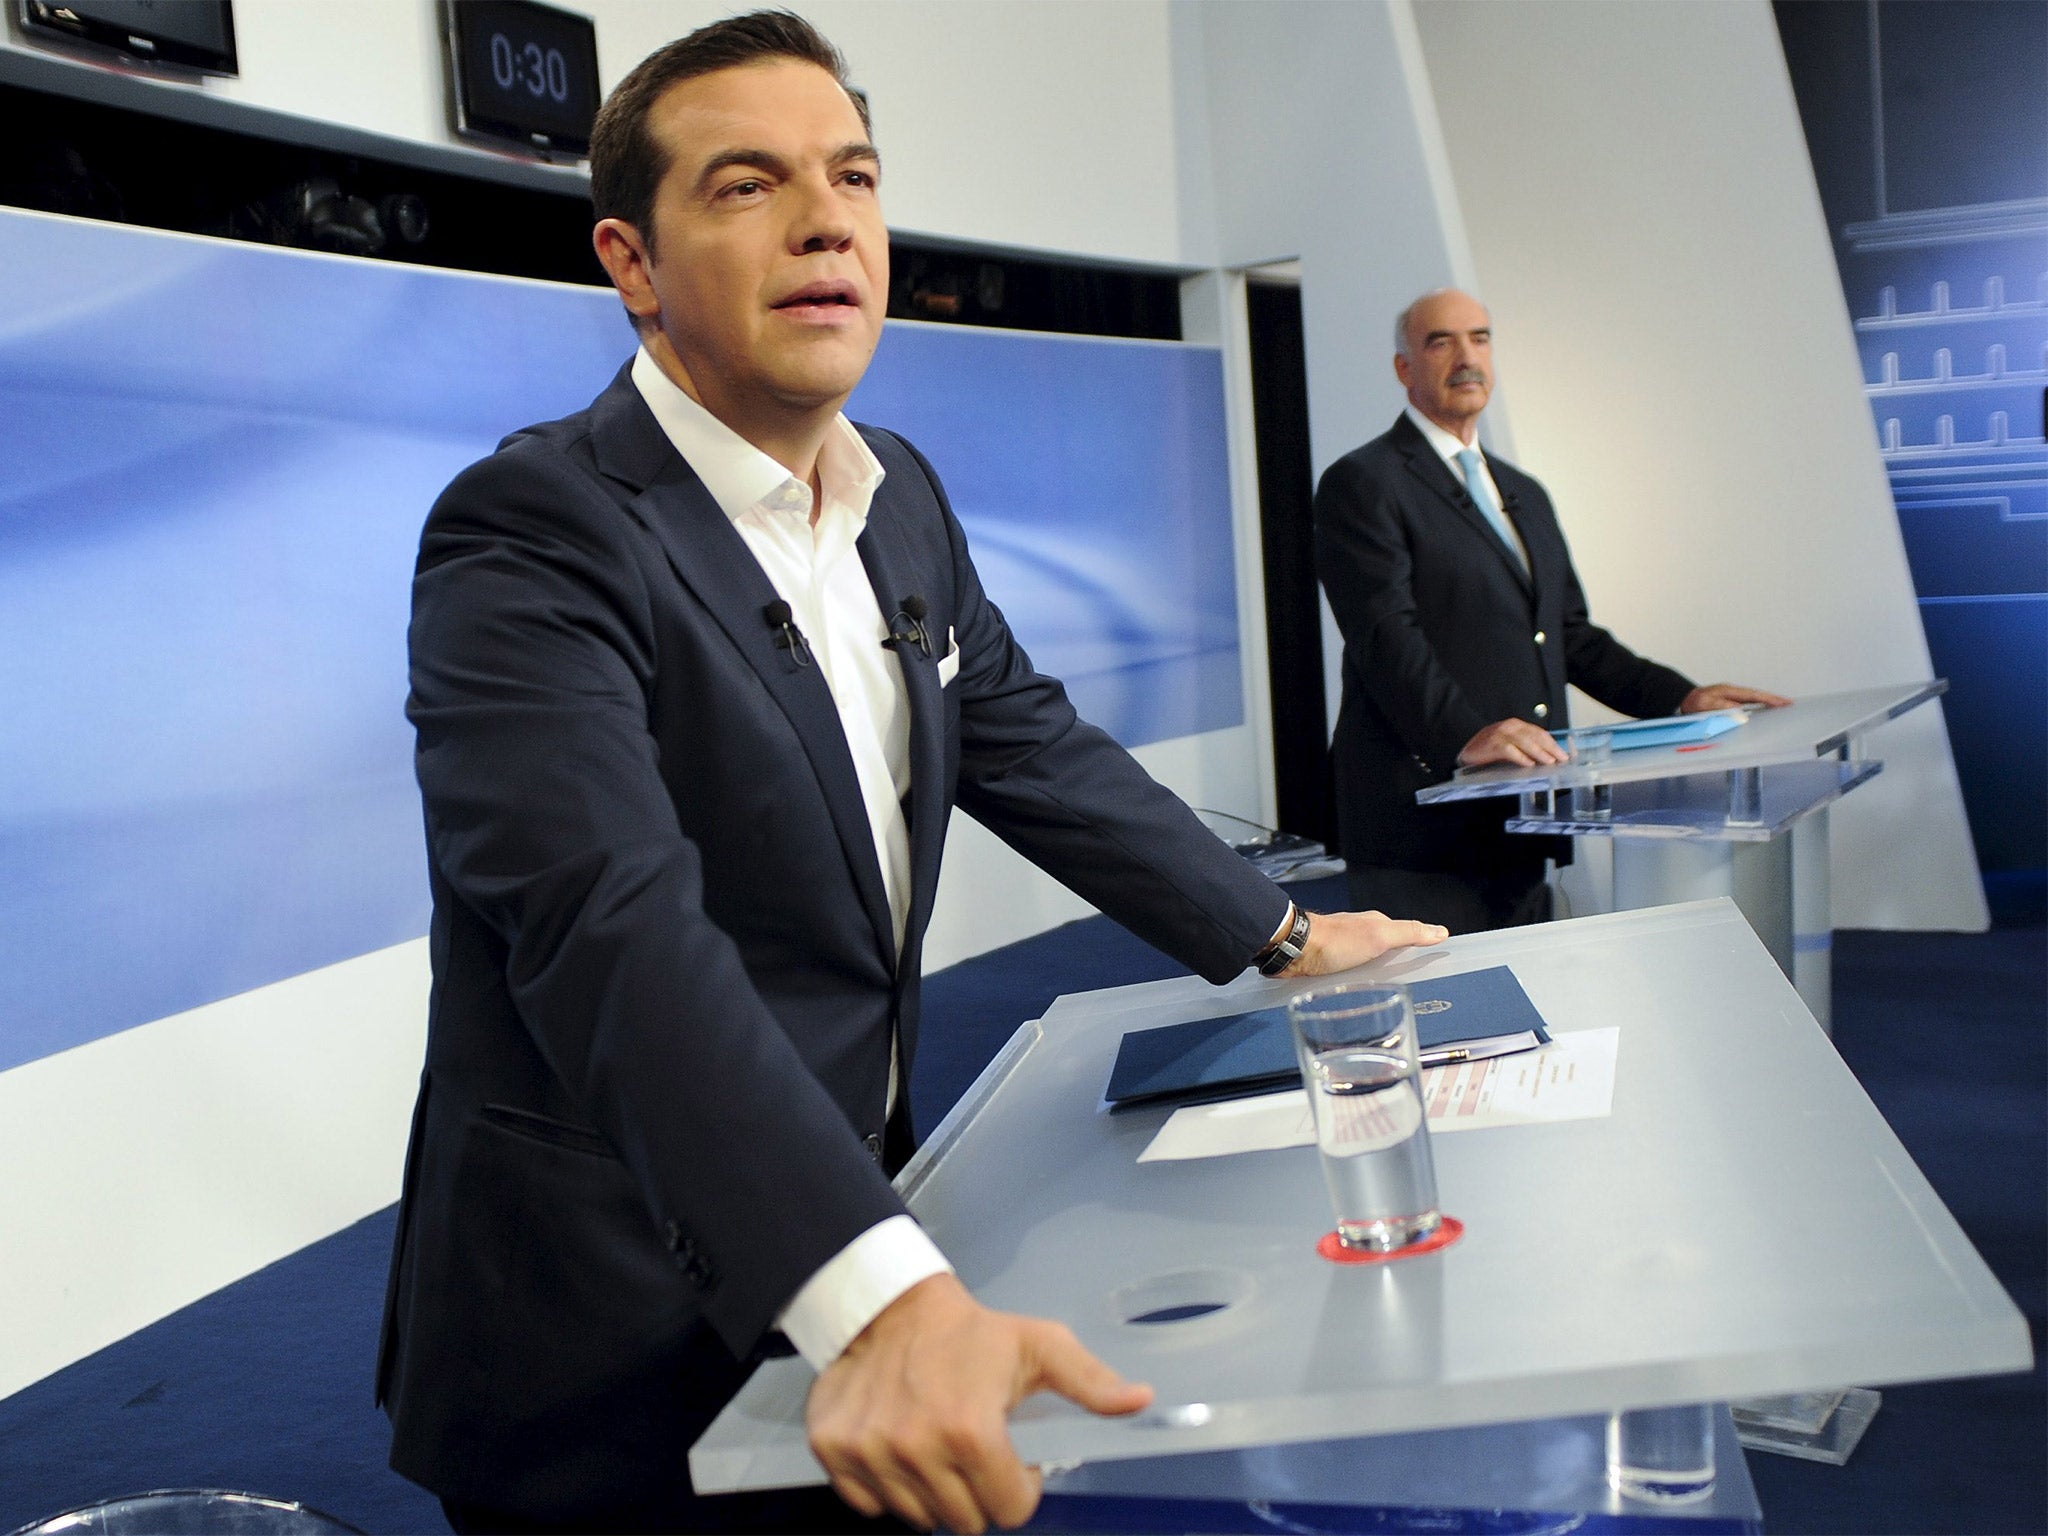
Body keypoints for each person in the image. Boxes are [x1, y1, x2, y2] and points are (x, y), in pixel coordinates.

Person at [375, 15, 1447, 1535]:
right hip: (608, 1317)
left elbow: (1025, 740)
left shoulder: (898, 494)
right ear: (631, 261)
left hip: (852, 1211)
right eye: (748, 186)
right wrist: (878, 1299)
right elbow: (602, 924)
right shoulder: (530, 529)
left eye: (854, 178)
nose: (826, 221)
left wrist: (1286, 937)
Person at [1313, 289, 1788, 933]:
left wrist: (1681, 699)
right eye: (1441, 341)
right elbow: (1383, 635)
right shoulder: (1364, 482)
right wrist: (1463, 735)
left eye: (1480, 338)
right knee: (1447, 1016)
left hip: (1522, 809)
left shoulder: (1522, 491)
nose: (1466, 356)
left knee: (1527, 1010)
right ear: (1403, 367)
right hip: (1421, 822)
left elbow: (1568, 635)